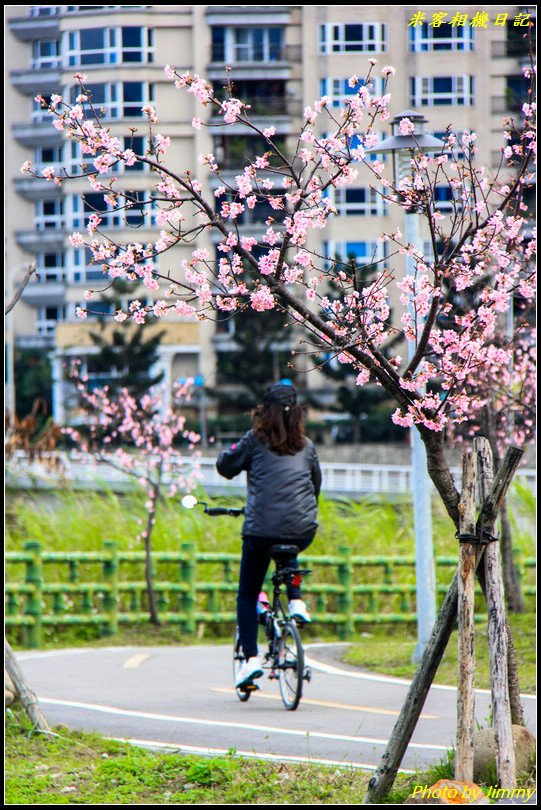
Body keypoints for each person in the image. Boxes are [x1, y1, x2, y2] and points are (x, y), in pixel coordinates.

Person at [216, 382, 322, 689]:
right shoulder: (307, 445)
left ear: (264, 412)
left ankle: (249, 660)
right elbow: (314, 486)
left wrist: (235, 453)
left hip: (261, 530)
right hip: (302, 528)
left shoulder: (254, 440)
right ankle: (297, 602)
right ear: (298, 415)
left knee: (248, 594)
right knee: (288, 544)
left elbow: (225, 465)